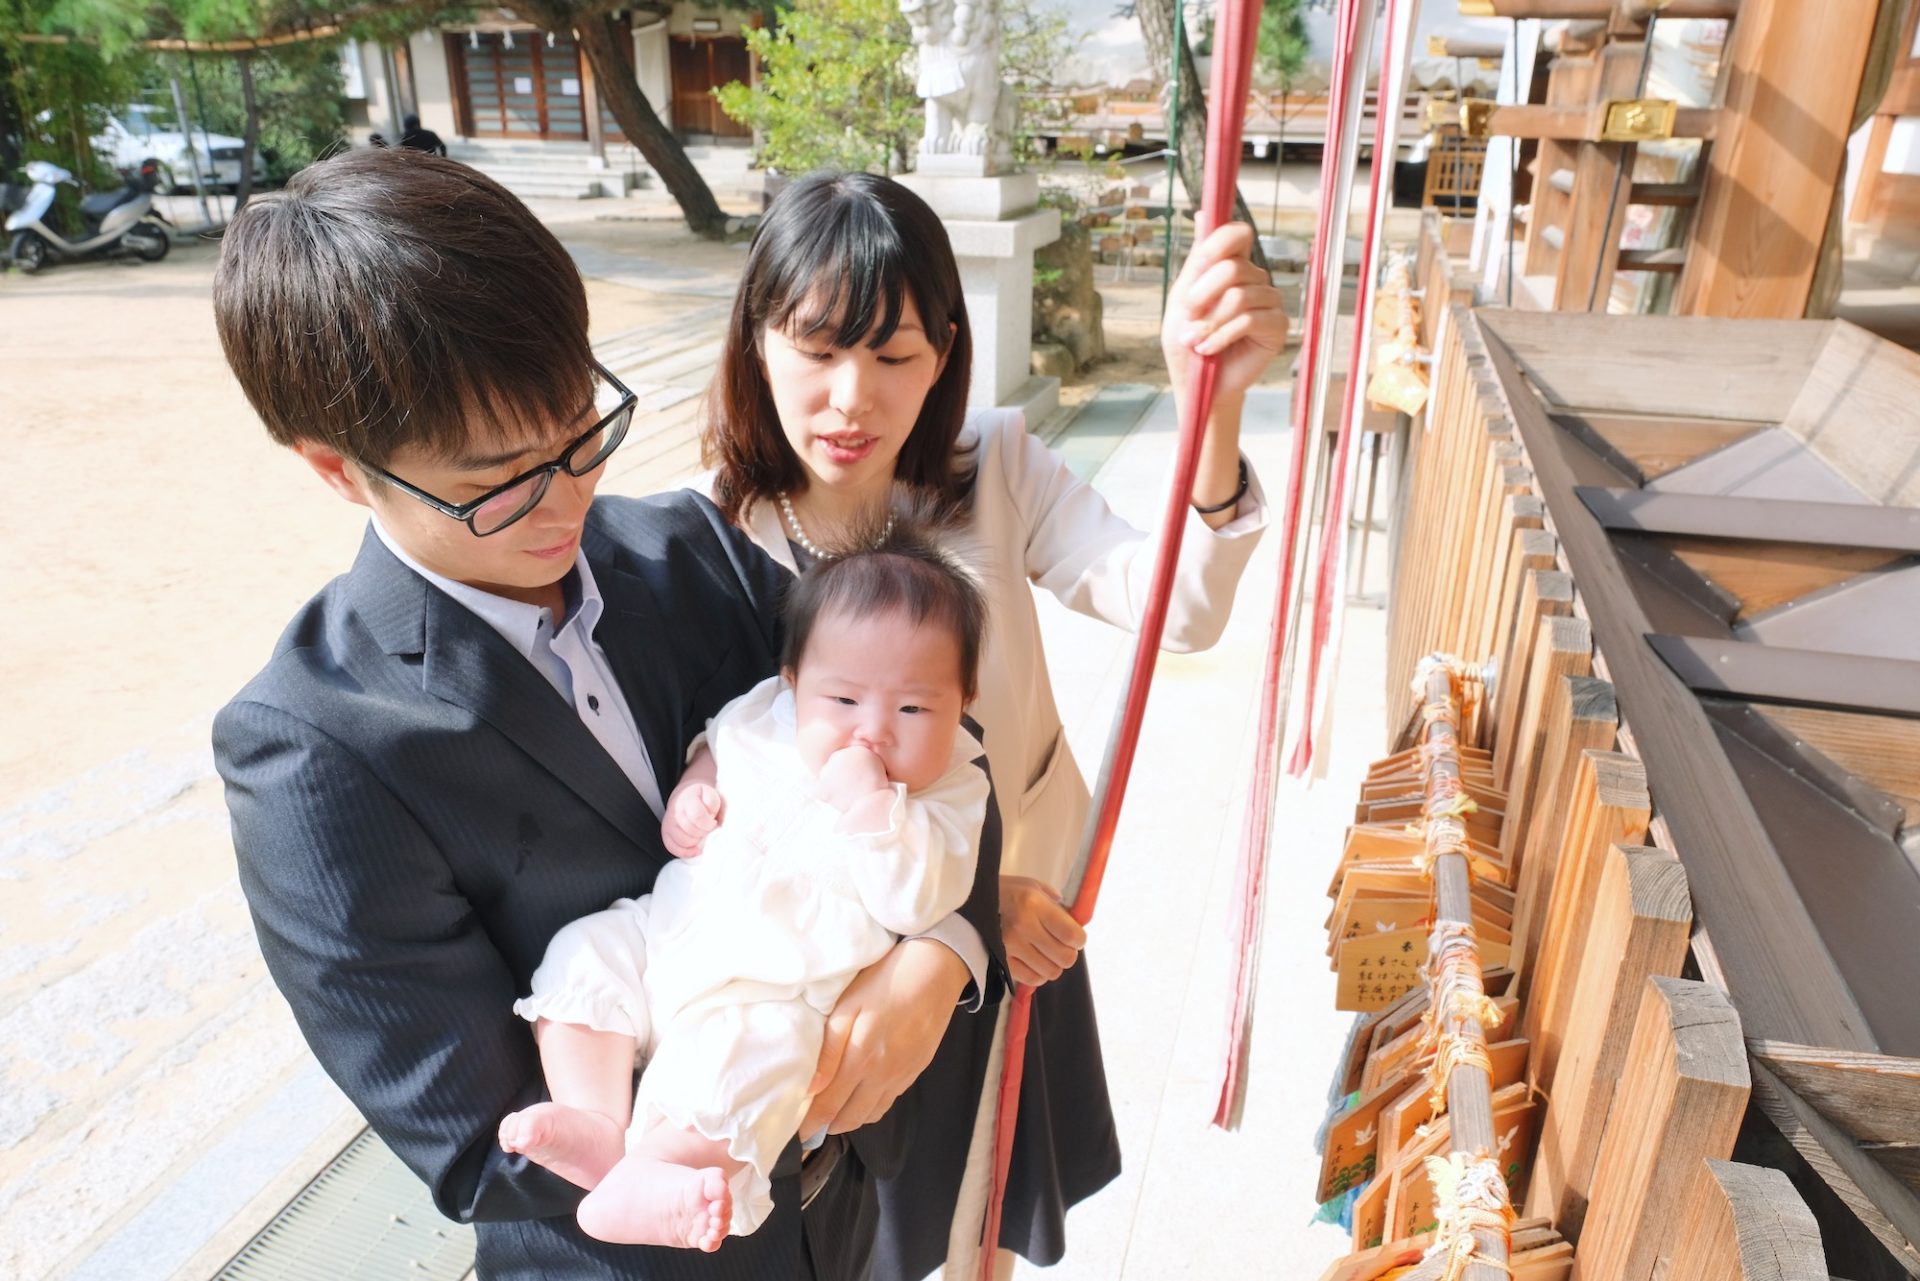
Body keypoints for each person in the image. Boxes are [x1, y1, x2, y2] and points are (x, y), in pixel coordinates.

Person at [209, 147, 1005, 1281]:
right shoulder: (312, 752)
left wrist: (941, 951)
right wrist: (747, 1089)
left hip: (856, 1213)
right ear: (339, 469)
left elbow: (937, 751)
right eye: (494, 479)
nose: (564, 498)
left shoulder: (685, 554)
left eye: (581, 431)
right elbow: (476, 1138)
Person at [695, 171, 1287, 1278]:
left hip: (1015, 952)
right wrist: (963, 906)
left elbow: (1183, 609)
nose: (851, 399)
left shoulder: (993, 467)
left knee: (980, 1230)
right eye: (817, 349)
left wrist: (1211, 409)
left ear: (949, 349)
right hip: (834, 994)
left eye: (896, 355)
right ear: (756, 338)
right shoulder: (711, 541)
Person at [499, 524, 992, 1252]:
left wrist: (872, 808)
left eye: (914, 709)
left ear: (963, 698)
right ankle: (594, 1121)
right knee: (585, 952)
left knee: (752, 1069)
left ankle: (657, 1173)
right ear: (794, 678)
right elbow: (716, 745)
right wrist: (695, 791)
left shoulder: (950, 791)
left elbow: (920, 901)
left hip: (775, 988)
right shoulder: (768, 710)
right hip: (669, 929)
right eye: (844, 699)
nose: (874, 731)